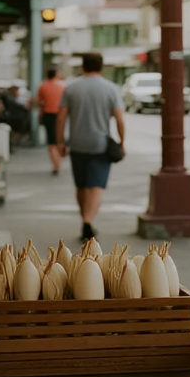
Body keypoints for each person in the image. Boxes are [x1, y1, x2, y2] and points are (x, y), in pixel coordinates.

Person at [57, 52, 125, 242]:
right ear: (101, 66)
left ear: (83, 66)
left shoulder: (71, 88)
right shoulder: (111, 89)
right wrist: (122, 142)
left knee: (81, 185)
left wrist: (60, 141)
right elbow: (119, 119)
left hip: (77, 144)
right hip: (100, 144)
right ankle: (88, 221)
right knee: (95, 186)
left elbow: (61, 117)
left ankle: (85, 220)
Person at [36, 68, 66, 174]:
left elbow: (38, 102)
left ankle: (55, 165)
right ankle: (58, 163)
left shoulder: (43, 86)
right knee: (59, 139)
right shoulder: (62, 87)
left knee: (51, 141)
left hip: (48, 115)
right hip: (60, 115)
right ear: (56, 74)